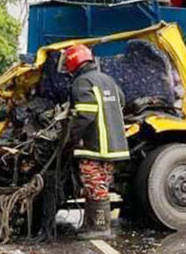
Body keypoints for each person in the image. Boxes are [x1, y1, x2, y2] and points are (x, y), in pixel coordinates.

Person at [63, 44, 130, 240]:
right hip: (114, 144)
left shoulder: (82, 82)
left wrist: (71, 138)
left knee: (94, 183)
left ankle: (100, 227)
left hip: (94, 144)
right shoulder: (108, 80)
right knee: (101, 183)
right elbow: (122, 101)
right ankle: (91, 225)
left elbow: (85, 113)